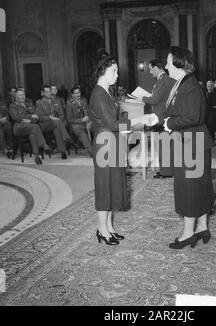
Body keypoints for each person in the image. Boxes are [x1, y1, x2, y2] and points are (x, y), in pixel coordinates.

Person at [135, 46, 214, 249]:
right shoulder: (181, 83)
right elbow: (174, 111)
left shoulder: (189, 86)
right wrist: (154, 118)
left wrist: (168, 124)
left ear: (179, 63)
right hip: (191, 142)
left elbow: (192, 117)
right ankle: (202, 227)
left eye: (169, 62)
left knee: (189, 188)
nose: (166, 65)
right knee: (199, 186)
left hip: (191, 144)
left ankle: (188, 233)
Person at [89, 51, 137, 246]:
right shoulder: (98, 94)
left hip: (112, 142)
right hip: (104, 144)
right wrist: (136, 121)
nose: (117, 75)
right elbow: (112, 123)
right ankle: (102, 229)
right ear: (103, 71)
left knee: (111, 185)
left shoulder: (106, 91)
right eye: (114, 71)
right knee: (104, 187)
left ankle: (108, 227)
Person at [136, 58, 175, 178]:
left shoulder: (163, 80)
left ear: (157, 67)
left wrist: (141, 98)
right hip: (164, 116)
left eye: (151, 69)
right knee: (166, 144)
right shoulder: (165, 80)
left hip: (161, 117)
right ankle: (167, 169)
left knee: (164, 145)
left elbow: (155, 99)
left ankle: (166, 171)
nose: (150, 72)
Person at [9, 89, 51, 165]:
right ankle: (44, 145)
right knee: (35, 127)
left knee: (33, 134)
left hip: (30, 126)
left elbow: (36, 116)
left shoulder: (29, 104)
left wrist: (29, 120)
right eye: (20, 95)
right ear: (16, 97)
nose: (22, 97)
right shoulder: (13, 106)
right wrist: (30, 116)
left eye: (23, 95)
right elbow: (16, 118)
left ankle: (37, 157)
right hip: (19, 128)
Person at [36, 85, 70, 159]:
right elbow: (39, 117)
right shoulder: (39, 102)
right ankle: (66, 139)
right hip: (44, 124)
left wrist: (57, 118)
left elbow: (61, 114)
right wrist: (50, 118)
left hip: (56, 123)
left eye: (49, 92)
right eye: (46, 92)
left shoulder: (56, 101)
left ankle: (62, 151)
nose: (48, 93)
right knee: (57, 122)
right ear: (42, 93)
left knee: (57, 128)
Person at [66, 85, 92, 156]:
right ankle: (92, 151)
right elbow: (69, 119)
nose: (78, 95)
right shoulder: (69, 104)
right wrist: (81, 120)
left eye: (79, 93)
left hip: (86, 122)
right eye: (75, 93)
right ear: (72, 94)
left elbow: (88, 112)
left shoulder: (83, 101)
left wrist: (88, 119)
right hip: (75, 124)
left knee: (97, 128)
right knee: (82, 134)